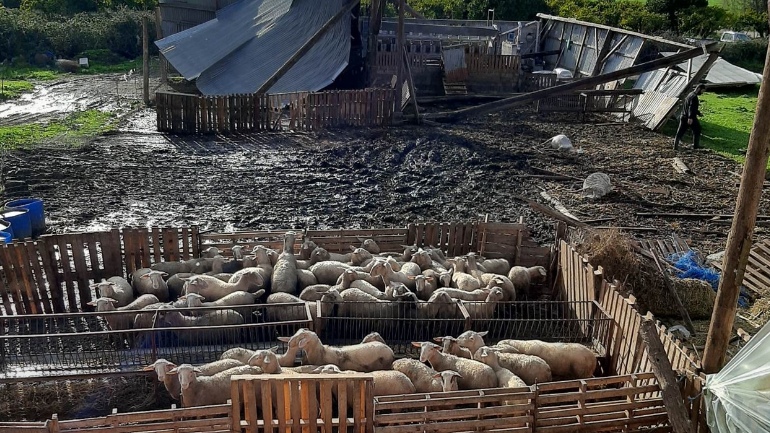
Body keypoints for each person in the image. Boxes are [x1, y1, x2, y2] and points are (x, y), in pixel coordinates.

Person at [674, 84, 706, 150]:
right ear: (699, 89)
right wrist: (690, 118)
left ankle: (675, 146)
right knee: (697, 129)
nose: (702, 93)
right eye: (702, 91)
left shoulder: (690, 94)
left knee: (680, 131)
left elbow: (692, 107)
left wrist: (698, 113)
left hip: (683, 116)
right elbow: (691, 108)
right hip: (689, 118)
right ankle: (695, 146)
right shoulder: (694, 97)